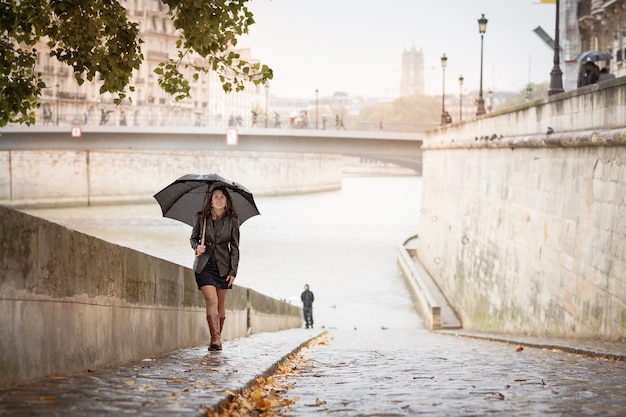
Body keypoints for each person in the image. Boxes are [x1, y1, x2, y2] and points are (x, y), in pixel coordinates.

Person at [190, 185, 240, 351]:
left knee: (220, 303)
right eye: (216, 196)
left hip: (224, 266)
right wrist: (197, 247)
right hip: (204, 265)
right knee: (212, 300)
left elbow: (235, 248)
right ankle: (215, 339)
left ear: (226, 202)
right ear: (210, 201)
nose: (219, 200)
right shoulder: (201, 217)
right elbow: (193, 238)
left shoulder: (232, 220)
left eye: (222, 197)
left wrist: (233, 271)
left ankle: (217, 338)